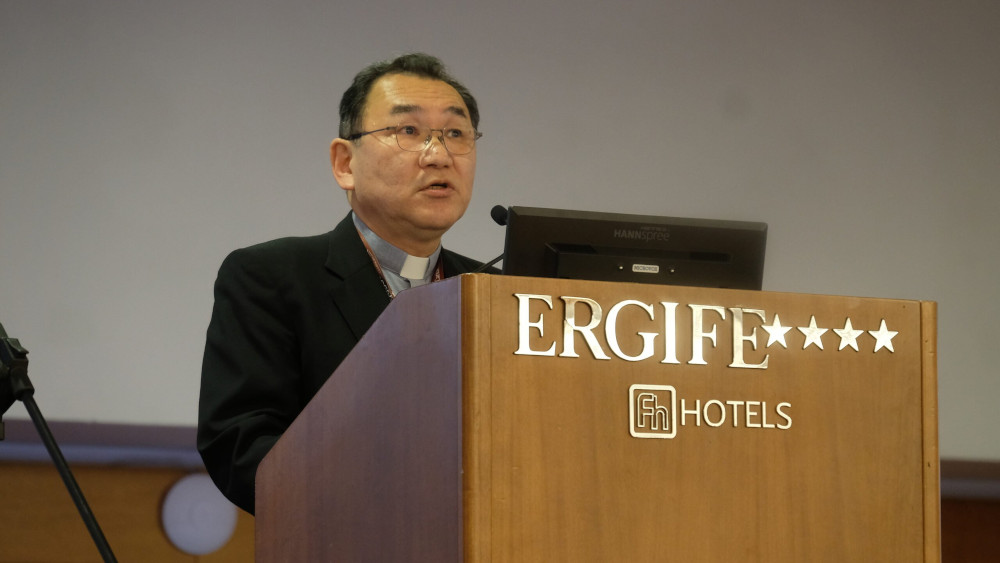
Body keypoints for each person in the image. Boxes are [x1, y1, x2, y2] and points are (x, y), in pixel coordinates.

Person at [197, 53, 491, 514]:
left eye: (456, 133)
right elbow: (240, 449)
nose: (439, 154)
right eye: (408, 131)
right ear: (344, 163)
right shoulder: (272, 277)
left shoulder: (497, 291)